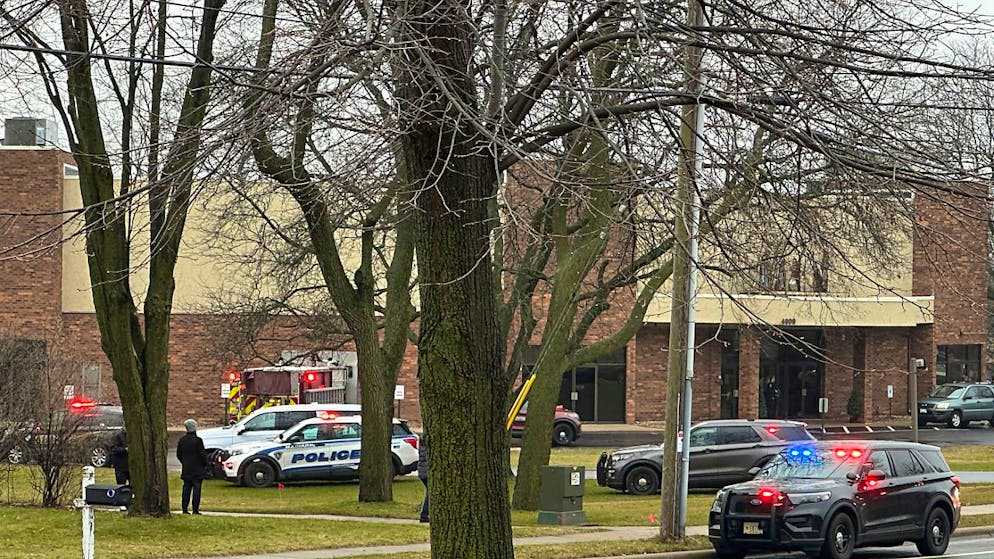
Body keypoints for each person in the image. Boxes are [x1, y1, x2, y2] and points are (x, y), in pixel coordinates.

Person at [176, 418, 209, 515]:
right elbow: (202, 454)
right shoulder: (198, 441)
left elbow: (179, 454)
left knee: (186, 489)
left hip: (187, 469)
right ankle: (195, 509)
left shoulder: (182, 440)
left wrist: (184, 462)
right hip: (197, 469)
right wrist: (206, 464)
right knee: (196, 490)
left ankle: (184, 509)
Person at [418, 433, 429, 523]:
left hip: (422, 470)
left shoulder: (422, 440)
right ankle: (424, 514)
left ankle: (424, 514)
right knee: (430, 494)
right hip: (426, 471)